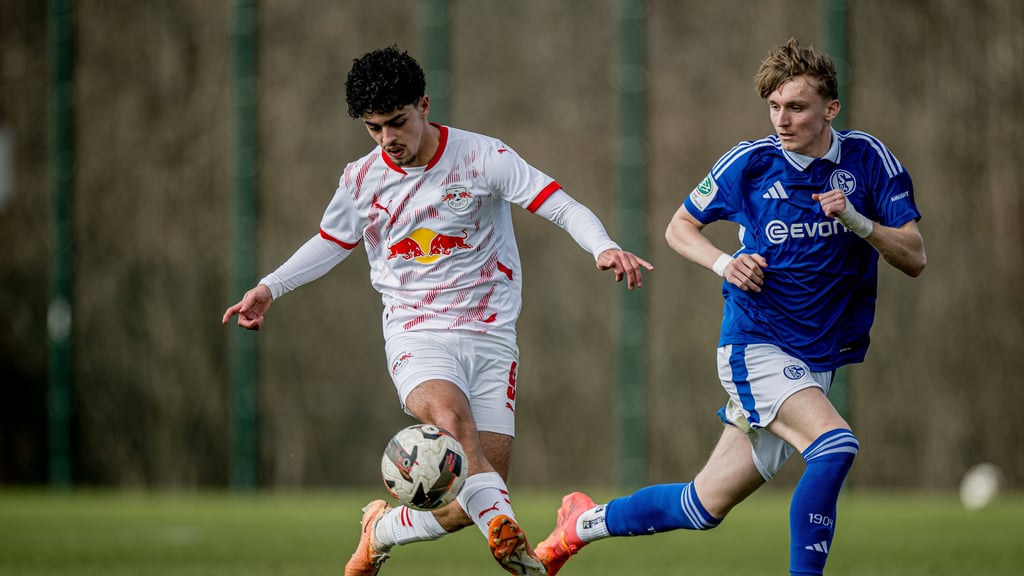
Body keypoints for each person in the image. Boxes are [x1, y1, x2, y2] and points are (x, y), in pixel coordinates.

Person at [222, 45, 653, 576]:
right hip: (416, 332)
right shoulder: (361, 179)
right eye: (374, 128)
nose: (388, 140)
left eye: (397, 123)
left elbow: (556, 201)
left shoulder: (482, 157)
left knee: (467, 499)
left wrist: (601, 245)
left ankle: (380, 531)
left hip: (493, 338)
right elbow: (331, 241)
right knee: (452, 420)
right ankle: (509, 539)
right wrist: (271, 286)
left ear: (424, 105)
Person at [534, 38, 926, 576]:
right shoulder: (751, 162)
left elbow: (915, 256)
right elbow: (679, 227)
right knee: (834, 445)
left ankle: (580, 524)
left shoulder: (868, 159)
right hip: (756, 341)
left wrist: (858, 222)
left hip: (817, 361)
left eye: (796, 107)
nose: (782, 119)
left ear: (830, 109)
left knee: (703, 505)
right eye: (774, 106)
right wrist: (725, 264)